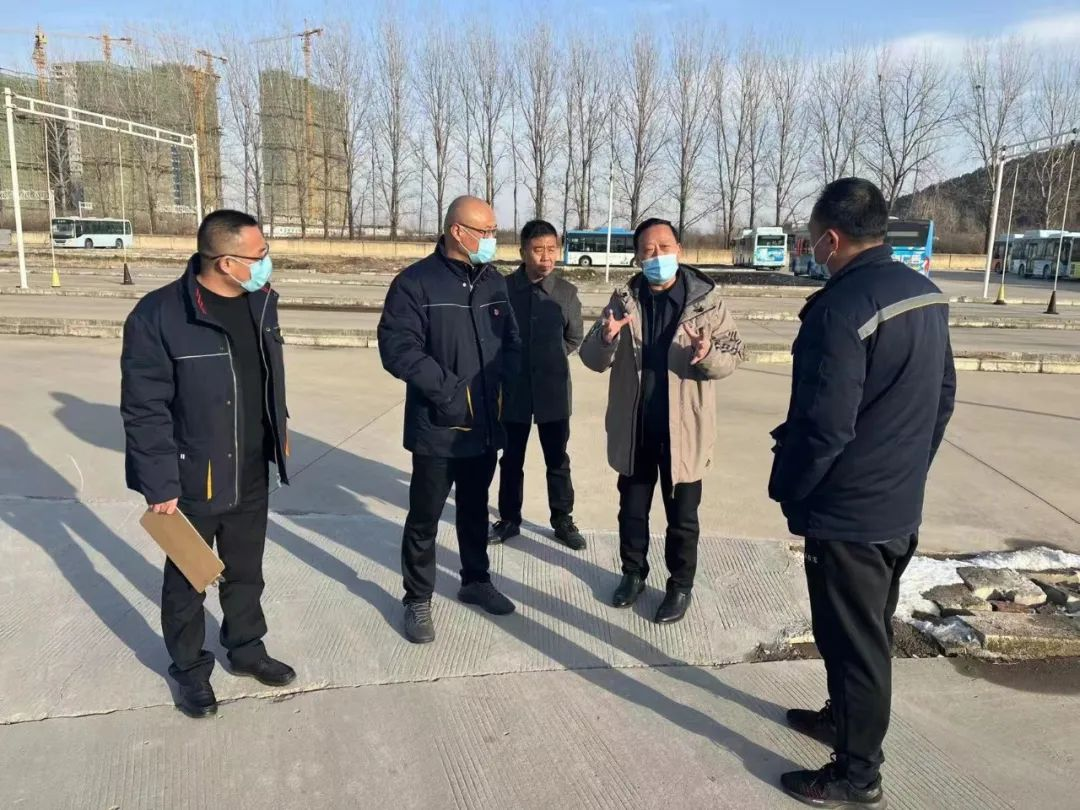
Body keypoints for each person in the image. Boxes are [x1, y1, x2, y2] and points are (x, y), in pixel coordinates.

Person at [768, 178, 955, 808]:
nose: (813, 249)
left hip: (849, 513)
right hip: (896, 504)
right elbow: (944, 398)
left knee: (855, 643)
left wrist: (790, 490)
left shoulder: (841, 308)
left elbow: (824, 425)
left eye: (812, 239)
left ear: (830, 237)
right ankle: (843, 720)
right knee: (861, 632)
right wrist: (910, 471)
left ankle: (857, 774)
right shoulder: (923, 293)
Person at [121, 209, 294, 719]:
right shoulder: (159, 316)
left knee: (246, 571)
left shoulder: (261, 301)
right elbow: (144, 408)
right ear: (224, 262)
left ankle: (246, 648)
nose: (266, 262)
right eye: (259, 255)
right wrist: (159, 482)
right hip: (193, 476)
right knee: (188, 581)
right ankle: (190, 669)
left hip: (252, 468)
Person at [580, 218, 744, 624]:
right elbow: (591, 358)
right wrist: (606, 338)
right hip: (635, 427)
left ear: (679, 251)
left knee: (682, 519)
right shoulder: (623, 300)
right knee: (632, 510)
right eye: (649, 250)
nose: (658, 256)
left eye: (665, 247)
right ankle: (633, 573)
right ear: (637, 257)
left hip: (684, 432)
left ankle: (680, 585)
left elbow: (733, 356)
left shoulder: (707, 302)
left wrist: (707, 354)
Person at [378, 195, 521, 644]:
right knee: (425, 517)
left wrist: (508, 385)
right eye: (486, 231)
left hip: (486, 426)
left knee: (475, 510)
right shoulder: (415, 283)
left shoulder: (494, 282)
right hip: (439, 426)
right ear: (458, 232)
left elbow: (510, 341)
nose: (493, 239)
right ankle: (417, 597)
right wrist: (451, 391)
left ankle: (475, 580)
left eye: (494, 231)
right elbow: (398, 348)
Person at [490, 220, 585, 550]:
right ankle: (509, 519)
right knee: (511, 459)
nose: (546, 257)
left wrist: (548, 359)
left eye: (552, 249)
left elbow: (574, 337)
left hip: (553, 392)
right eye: (538, 250)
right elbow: (493, 337)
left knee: (557, 459)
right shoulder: (503, 290)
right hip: (513, 391)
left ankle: (562, 519)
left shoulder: (566, 293)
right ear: (522, 252)